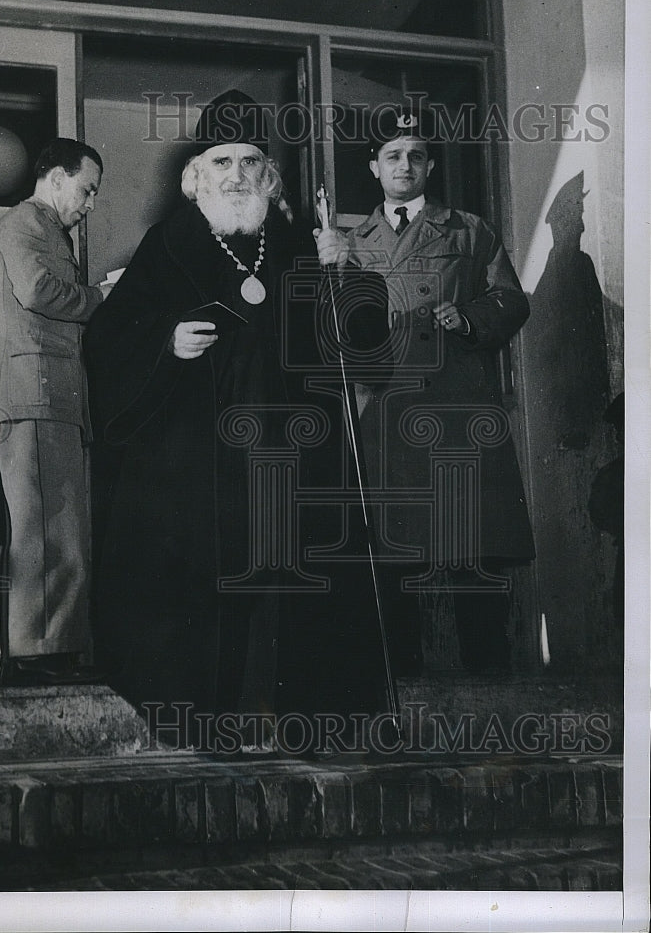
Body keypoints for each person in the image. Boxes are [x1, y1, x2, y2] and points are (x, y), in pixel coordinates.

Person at [85, 90, 390, 747]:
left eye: (248, 162)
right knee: (204, 584)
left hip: (290, 452)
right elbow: (109, 336)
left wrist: (346, 271)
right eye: (220, 160)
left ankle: (308, 724)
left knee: (296, 586)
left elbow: (360, 347)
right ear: (197, 174)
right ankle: (206, 722)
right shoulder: (166, 244)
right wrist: (164, 340)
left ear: (265, 176)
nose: (234, 174)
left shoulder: (294, 246)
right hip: (197, 458)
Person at [315, 105, 535, 674]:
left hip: (456, 412)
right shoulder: (349, 242)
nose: (404, 165)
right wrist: (333, 269)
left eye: (415, 155)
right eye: (393, 156)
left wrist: (469, 319)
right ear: (374, 168)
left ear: (429, 164)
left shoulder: (468, 228)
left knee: (473, 561)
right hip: (384, 415)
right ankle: (405, 698)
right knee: (395, 561)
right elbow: (329, 332)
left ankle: (492, 699)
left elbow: (511, 299)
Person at [0, 137, 113, 686]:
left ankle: (56, 647)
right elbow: (36, 291)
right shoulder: (24, 222)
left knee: (63, 529)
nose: (90, 203)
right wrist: (102, 297)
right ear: (56, 177)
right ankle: (36, 652)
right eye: (87, 189)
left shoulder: (50, 230)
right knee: (40, 530)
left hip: (54, 397)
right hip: (32, 396)